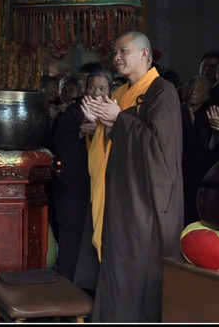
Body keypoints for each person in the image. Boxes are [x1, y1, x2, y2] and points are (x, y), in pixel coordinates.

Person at [75, 31, 183, 322]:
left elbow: (160, 147)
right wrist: (99, 127)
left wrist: (118, 120)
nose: (117, 58)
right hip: (119, 192)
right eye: (114, 52)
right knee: (115, 265)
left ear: (145, 54)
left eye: (123, 51)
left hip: (144, 199)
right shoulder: (120, 93)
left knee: (137, 268)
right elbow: (113, 141)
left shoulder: (163, 92)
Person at [45, 68, 112, 281]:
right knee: (71, 242)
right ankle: (67, 288)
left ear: (110, 92)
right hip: (74, 189)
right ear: (85, 89)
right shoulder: (73, 111)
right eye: (92, 87)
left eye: (102, 89)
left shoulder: (114, 113)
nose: (96, 93)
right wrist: (81, 132)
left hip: (100, 188)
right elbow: (57, 145)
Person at [181, 75, 218, 225]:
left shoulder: (208, 114)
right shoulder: (178, 109)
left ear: (206, 95)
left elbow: (204, 147)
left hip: (197, 169)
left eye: (198, 90)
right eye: (191, 88)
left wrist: (190, 125)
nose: (193, 92)